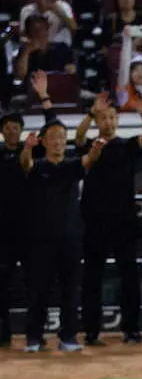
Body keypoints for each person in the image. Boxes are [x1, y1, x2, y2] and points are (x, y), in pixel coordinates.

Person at [74, 91, 142, 345]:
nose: (108, 122)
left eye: (111, 117)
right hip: (94, 221)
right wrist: (90, 112)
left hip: (124, 222)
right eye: (103, 118)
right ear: (97, 122)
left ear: (117, 121)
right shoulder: (90, 145)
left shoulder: (126, 146)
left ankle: (131, 329)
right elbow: (76, 137)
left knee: (128, 276)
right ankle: (91, 331)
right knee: (92, 277)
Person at [19, 120, 101, 352]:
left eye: (62, 136)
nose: (58, 141)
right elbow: (25, 164)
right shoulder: (38, 166)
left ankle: (68, 337)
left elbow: (89, 161)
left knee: (70, 290)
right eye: (53, 136)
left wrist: (95, 150)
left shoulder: (73, 165)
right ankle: (34, 338)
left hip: (71, 239)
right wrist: (27, 147)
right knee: (38, 290)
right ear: (44, 141)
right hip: (41, 240)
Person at [0, 73, 55, 346]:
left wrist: (45, 98)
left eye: (15, 126)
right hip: (4, 231)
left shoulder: (34, 151)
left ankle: (36, 334)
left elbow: (53, 129)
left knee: (36, 284)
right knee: (2, 285)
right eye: (7, 126)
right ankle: (3, 334)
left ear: (21, 129)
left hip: (32, 230)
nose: (11, 130)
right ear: (2, 131)